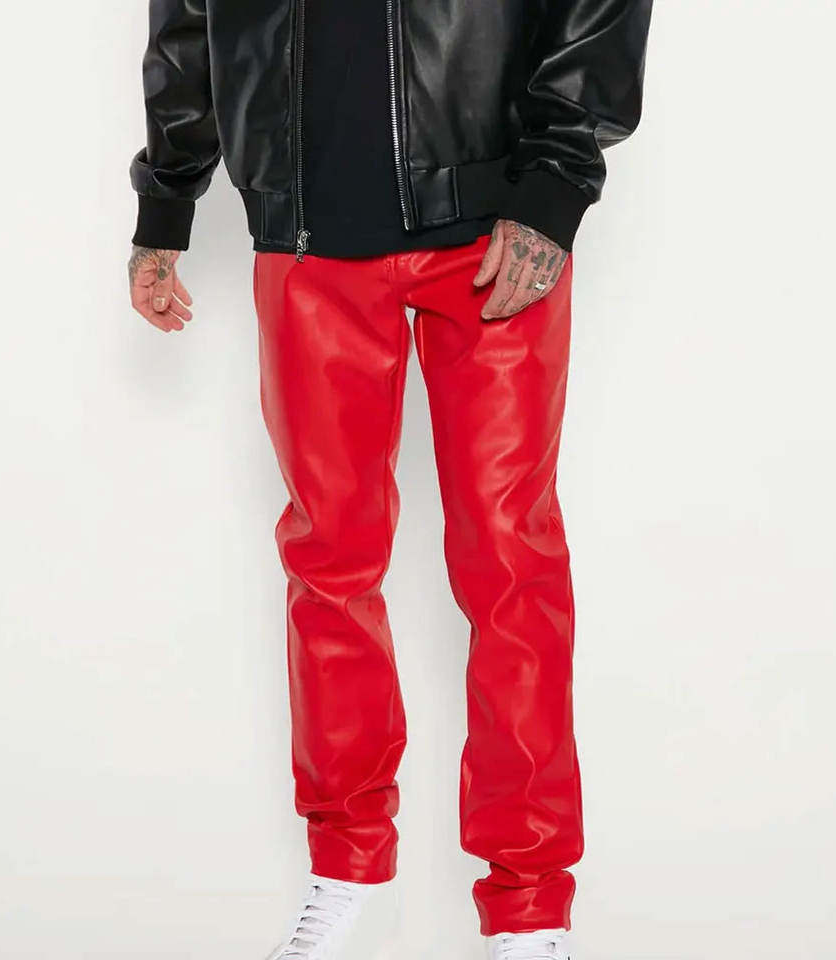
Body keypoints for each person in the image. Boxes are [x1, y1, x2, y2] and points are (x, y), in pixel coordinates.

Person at [127, 1, 652, 957]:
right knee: (328, 561)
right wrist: (167, 198)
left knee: (511, 563)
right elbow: (186, 19)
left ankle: (530, 909)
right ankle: (347, 870)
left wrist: (556, 179)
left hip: (494, 229)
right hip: (306, 233)